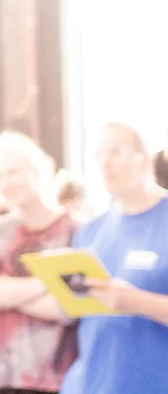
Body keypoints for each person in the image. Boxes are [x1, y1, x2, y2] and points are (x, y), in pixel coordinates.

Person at [60, 123, 168, 394]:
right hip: (97, 383)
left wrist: (138, 302)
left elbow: (128, 301)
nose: (105, 163)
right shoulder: (90, 231)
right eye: (98, 154)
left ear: (145, 159)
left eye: (116, 152)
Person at [0, 132, 76, 394]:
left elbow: (70, 305)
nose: (7, 182)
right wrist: (49, 281)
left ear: (36, 170)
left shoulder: (77, 230)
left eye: (13, 172)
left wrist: (7, 294)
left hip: (59, 376)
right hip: (0, 376)